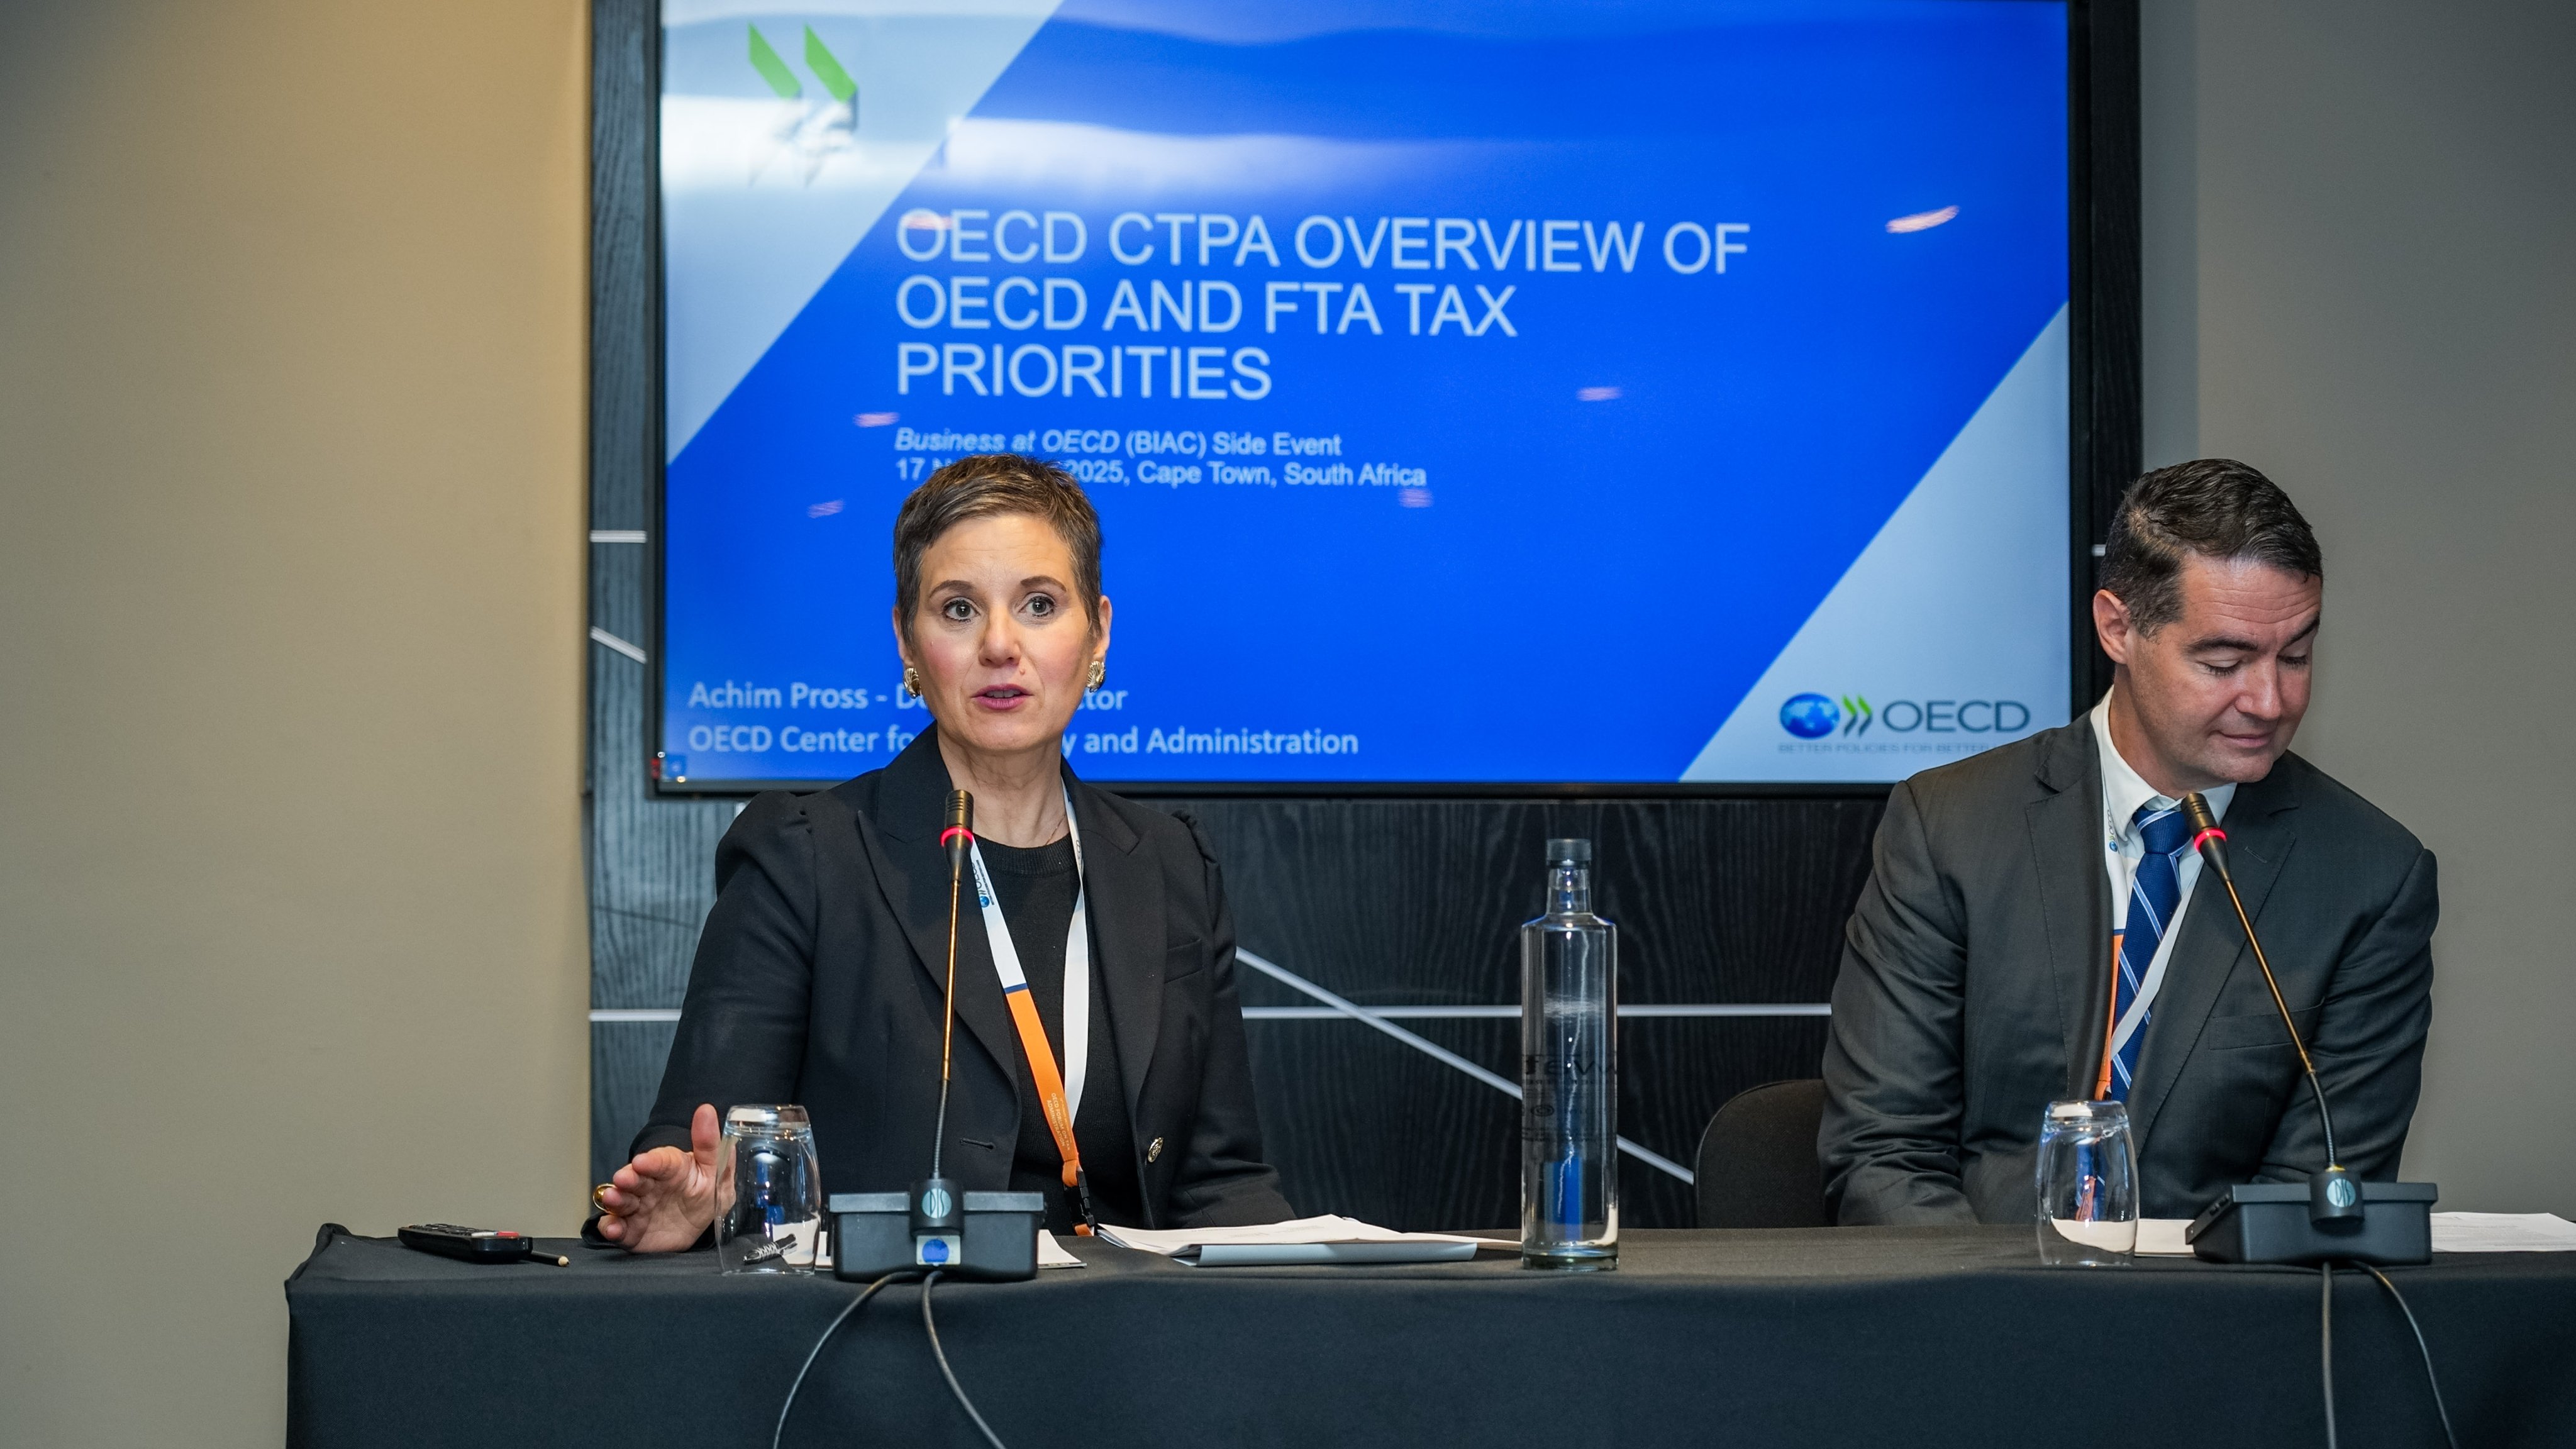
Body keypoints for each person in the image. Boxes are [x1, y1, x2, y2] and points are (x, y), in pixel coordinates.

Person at [594, 455, 1291, 1249]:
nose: (1001, 645)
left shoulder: (1170, 866)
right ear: (907, 641)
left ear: (1098, 631)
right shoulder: (806, 858)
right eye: (958, 609)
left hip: (1126, 1347)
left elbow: (1220, 1182)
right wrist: (696, 1209)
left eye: (1038, 604)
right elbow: (707, 1154)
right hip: (890, 1343)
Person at [1819, 458, 2436, 1223]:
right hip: (1975, 1309)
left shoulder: (2370, 877)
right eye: (2224, 661)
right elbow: (1885, 1152)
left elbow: (2313, 1195)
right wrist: (2001, 1321)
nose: (2270, 699)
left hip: (2218, 1326)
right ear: (2118, 627)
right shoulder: (1950, 825)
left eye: (2296, 656)